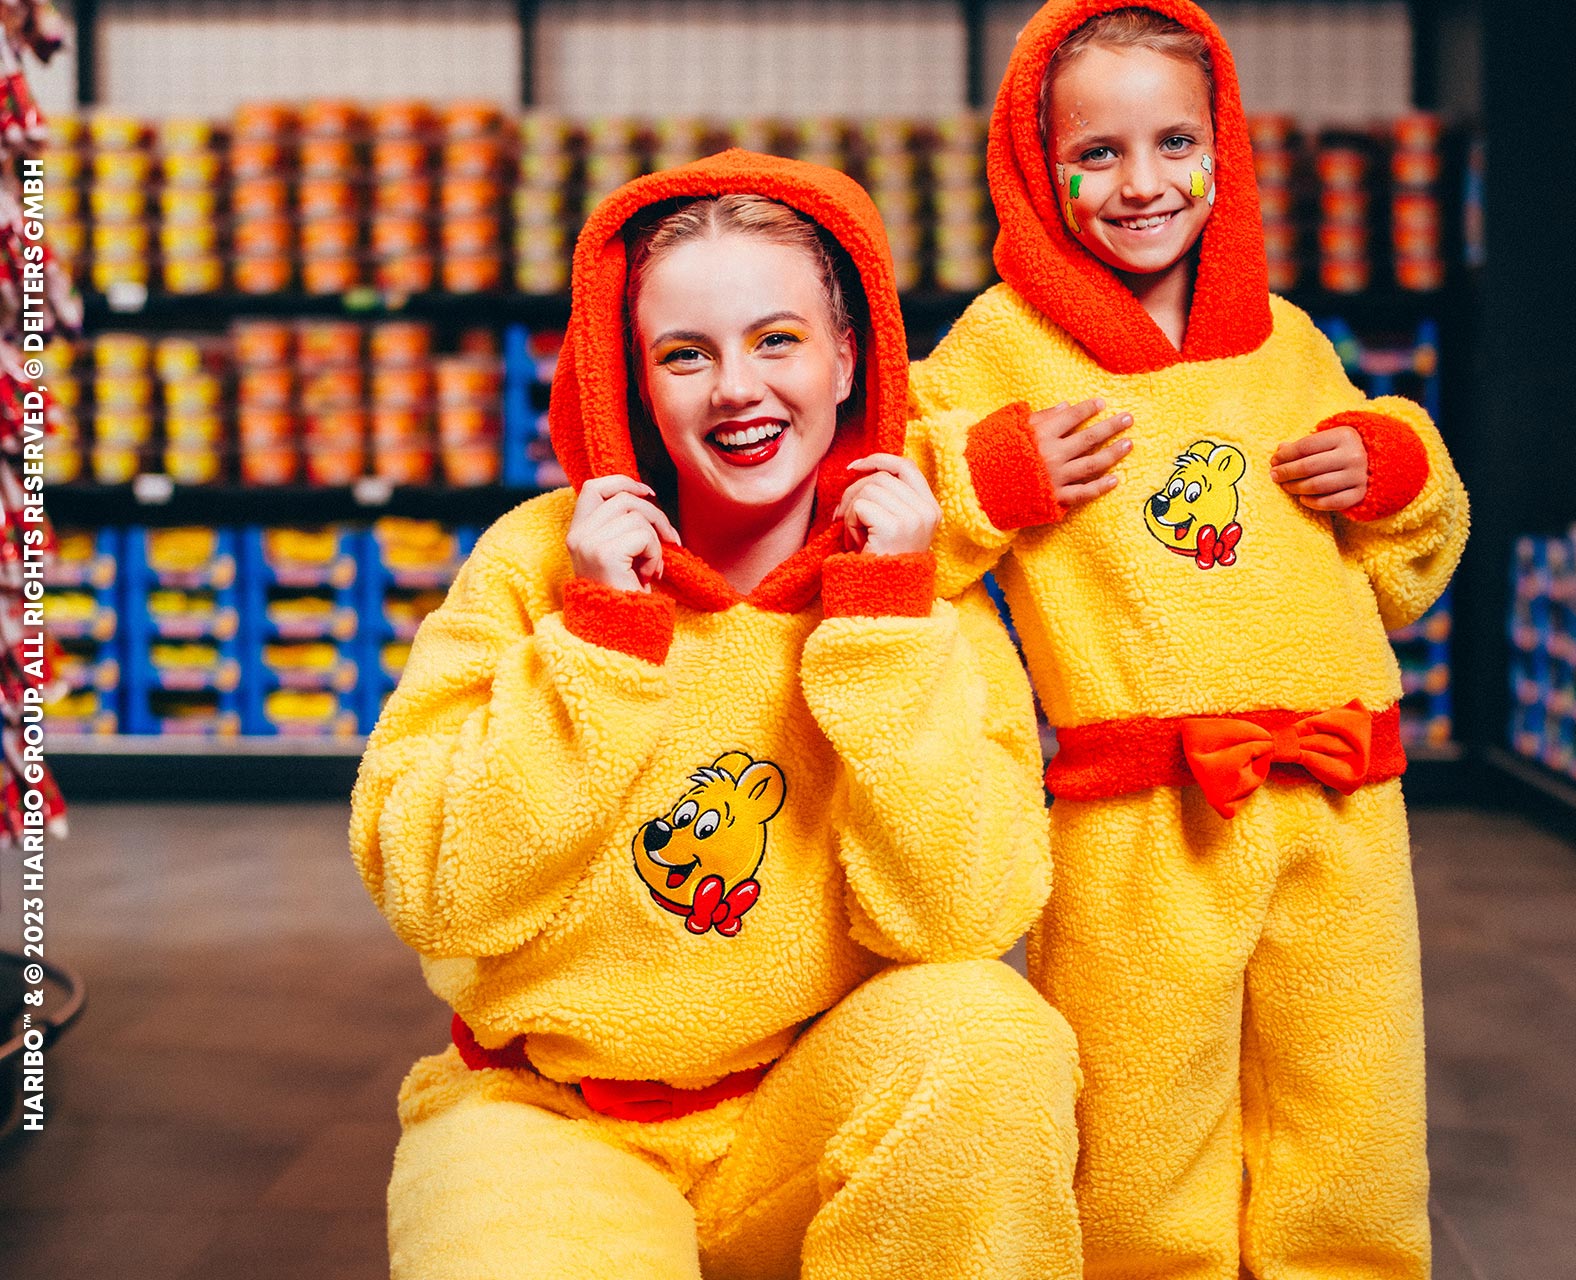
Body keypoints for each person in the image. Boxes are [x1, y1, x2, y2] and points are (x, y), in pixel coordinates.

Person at [350, 152, 1081, 1280]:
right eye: (684, 355)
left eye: (776, 338)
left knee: (989, 1028)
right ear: (632, 383)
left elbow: (960, 915)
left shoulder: (915, 594)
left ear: (851, 356)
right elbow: (433, 886)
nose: (736, 386)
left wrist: (883, 623)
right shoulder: (535, 565)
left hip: (800, 1110)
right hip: (547, 1115)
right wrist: (600, 639)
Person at [905, 1, 1471, 1275]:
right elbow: (885, 507)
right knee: (1141, 1106)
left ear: (1227, 147)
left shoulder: (1288, 339)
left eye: (1175, 141)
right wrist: (993, 469)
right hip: (1144, 810)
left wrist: (1394, 465)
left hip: (1344, 790)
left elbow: (1402, 575)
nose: (1142, 182)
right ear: (1032, 169)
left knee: (1355, 1090)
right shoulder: (1006, 341)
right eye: (1095, 154)